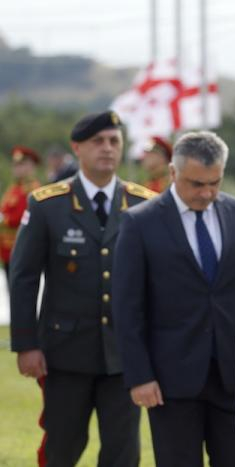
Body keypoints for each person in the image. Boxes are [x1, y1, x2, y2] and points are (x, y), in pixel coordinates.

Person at [9, 111, 156, 467]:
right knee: (62, 449)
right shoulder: (47, 205)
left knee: (123, 454)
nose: (107, 149)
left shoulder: (144, 204)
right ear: (77, 148)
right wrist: (26, 345)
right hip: (64, 355)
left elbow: (158, 281)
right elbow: (24, 277)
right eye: (98, 142)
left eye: (114, 141)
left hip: (124, 357)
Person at [113, 131, 235, 466]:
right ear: (173, 173)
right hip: (169, 381)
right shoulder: (139, 222)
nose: (207, 193)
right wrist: (140, 376)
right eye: (196, 184)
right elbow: (127, 307)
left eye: (215, 182)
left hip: (232, 378)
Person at [0, 146, 41, 279]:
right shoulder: (14, 188)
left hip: (22, 248)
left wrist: (3, 219)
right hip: (8, 249)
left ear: (31, 166)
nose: (16, 168)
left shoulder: (33, 189)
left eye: (21, 164)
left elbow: (23, 217)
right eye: (15, 165)